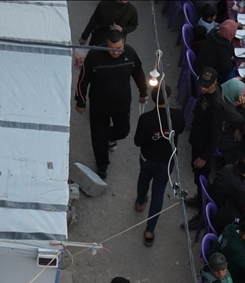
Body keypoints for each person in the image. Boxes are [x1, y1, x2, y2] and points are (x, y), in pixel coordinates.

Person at [74, 30, 146, 179]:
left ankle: (109, 136)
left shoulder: (130, 53)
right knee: (98, 136)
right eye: (111, 48)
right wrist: (80, 101)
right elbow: (83, 79)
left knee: (123, 131)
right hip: (99, 106)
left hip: (122, 104)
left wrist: (143, 92)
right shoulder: (94, 55)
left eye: (119, 48)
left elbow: (138, 72)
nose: (115, 52)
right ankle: (102, 166)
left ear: (123, 43)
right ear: (106, 44)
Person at [133, 86, 183, 244]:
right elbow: (181, 129)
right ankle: (149, 230)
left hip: (148, 158)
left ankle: (140, 202)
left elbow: (137, 141)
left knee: (143, 179)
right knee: (158, 194)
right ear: (168, 98)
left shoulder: (146, 118)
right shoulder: (177, 115)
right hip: (166, 161)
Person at [189, 68, 225, 187]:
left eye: (206, 86)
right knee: (195, 172)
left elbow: (216, 135)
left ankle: (201, 202)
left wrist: (204, 157)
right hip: (197, 136)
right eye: (201, 85)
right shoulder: (207, 93)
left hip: (203, 145)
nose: (202, 88)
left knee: (201, 178)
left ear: (215, 82)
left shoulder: (216, 106)